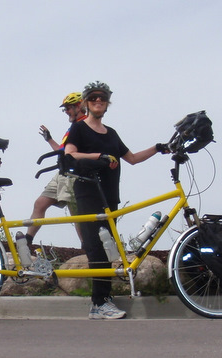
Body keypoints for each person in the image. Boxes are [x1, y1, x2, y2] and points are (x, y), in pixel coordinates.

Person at [64, 81, 168, 320]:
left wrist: (158, 148)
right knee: (96, 247)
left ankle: (102, 302)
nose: (98, 102)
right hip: (88, 192)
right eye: (93, 99)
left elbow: (131, 158)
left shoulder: (111, 134)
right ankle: (99, 303)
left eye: (102, 99)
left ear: (107, 103)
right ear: (86, 103)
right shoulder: (79, 128)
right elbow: (69, 154)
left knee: (108, 248)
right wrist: (98, 156)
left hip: (109, 195)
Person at [25, 92, 87, 246]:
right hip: (61, 172)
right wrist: (49, 139)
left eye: (68, 108)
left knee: (75, 212)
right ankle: (27, 242)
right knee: (40, 203)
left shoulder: (86, 125)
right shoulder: (73, 127)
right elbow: (62, 150)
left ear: (78, 106)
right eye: (64, 109)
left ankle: (86, 247)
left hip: (74, 174)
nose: (66, 112)